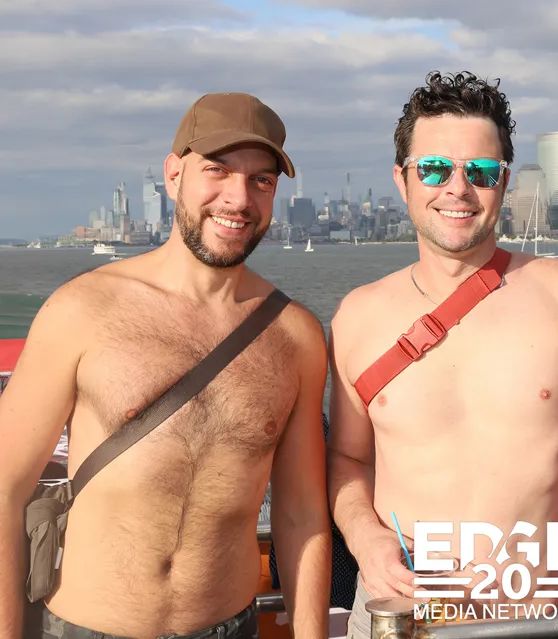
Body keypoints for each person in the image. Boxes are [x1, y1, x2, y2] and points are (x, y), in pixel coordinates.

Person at [327, 71, 558, 639]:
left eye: (480, 171)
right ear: (402, 180)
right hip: (395, 618)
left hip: (528, 619)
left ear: (504, 183)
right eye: (434, 169)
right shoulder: (357, 316)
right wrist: (366, 538)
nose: (458, 189)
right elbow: (347, 460)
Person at [0, 92, 332, 639]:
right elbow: (7, 488)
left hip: (230, 627)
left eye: (261, 180)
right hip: (87, 627)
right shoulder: (83, 309)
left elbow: (300, 514)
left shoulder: (296, 336)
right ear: (174, 176)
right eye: (217, 171)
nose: (239, 198)